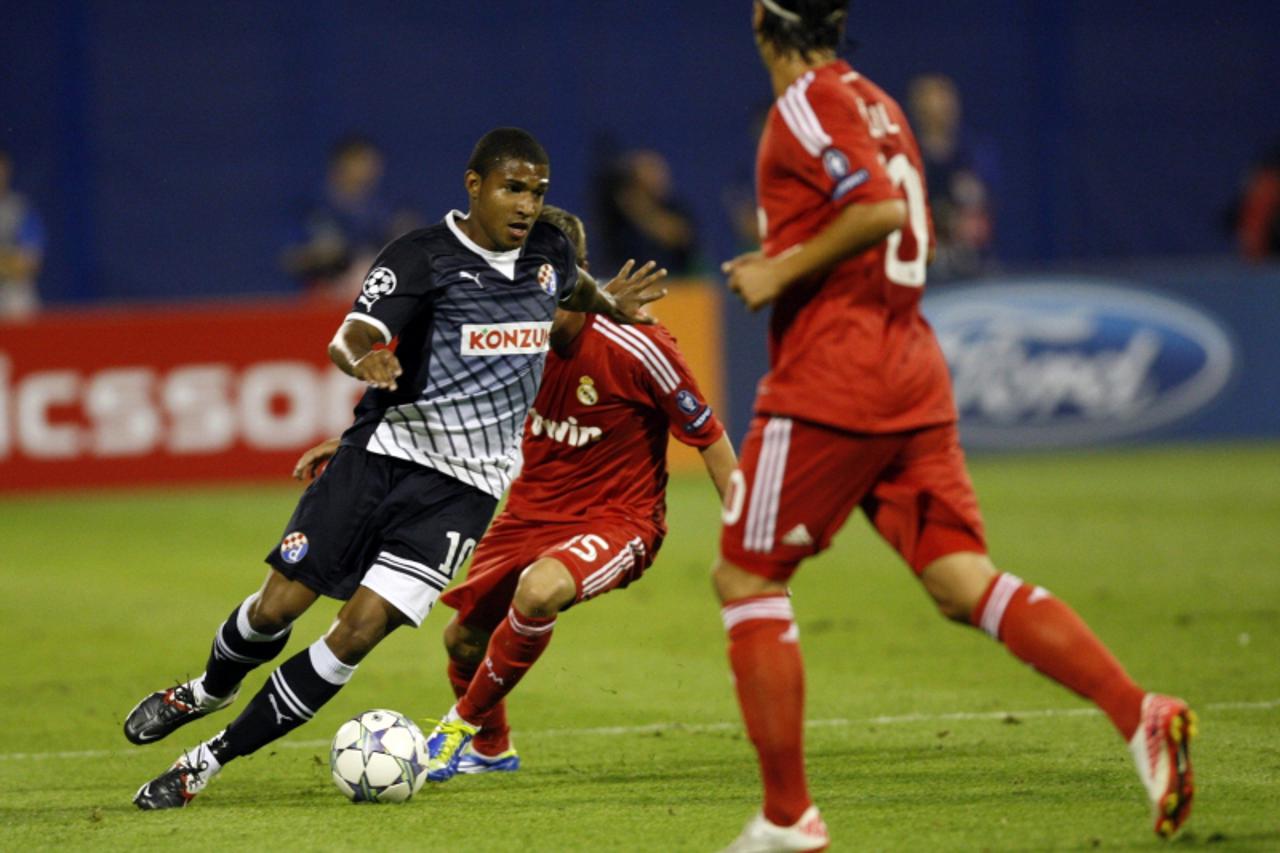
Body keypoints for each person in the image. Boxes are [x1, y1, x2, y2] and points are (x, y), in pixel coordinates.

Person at [714, 3, 1196, 850]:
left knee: (747, 578)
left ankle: (789, 818)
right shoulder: (879, 100)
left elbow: (879, 211)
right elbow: (908, 220)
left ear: (763, 21)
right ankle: (1140, 714)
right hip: (910, 362)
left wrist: (778, 268)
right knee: (959, 578)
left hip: (835, 377)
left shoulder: (803, 105)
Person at [123, 127, 668, 810]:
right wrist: (364, 359)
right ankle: (207, 688)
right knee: (277, 607)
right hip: (382, 455)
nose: (526, 204)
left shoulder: (549, 252)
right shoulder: (420, 256)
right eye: (513, 188)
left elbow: (571, 284)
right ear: (475, 186)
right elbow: (350, 332)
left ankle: (205, 761)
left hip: (462, 494)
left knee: (354, 633)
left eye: (537, 191)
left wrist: (608, 301)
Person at [295, 205, 736, 779]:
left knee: (538, 591)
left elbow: (710, 437)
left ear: (571, 276)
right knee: (462, 639)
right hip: (529, 512)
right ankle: (491, 749)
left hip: (618, 519)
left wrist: (752, 540)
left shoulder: (637, 344)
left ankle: (456, 728)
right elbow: (437, 410)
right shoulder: (504, 337)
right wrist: (354, 444)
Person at [279, 135, 420, 300]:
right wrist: (318, 254)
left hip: (378, 296)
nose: (369, 168)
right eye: (359, 161)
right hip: (326, 294)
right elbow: (290, 259)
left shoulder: (389, 207)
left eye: (372, 162)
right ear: (341, 164)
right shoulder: (314, 207)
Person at [906, 73, 996, 282]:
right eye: (931, 107)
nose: (940, 113)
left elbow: (984, 212)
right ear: (919, 110)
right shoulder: (907, 156)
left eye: (945, 105)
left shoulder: (975, 155)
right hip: (923, 264)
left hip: (972, 263)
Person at [596, 148, 700, 277]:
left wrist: (641, 210)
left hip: (675, 285)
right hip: (633, 285)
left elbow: (680, 236)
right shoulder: (618, 219)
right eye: (650, 171)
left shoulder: (676, 209)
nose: (659, 177)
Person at [0, 148, 46, 320]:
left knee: (21, 300)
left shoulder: (19, 209)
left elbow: (30, 262)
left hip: (13, 293)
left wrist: (6, 264)